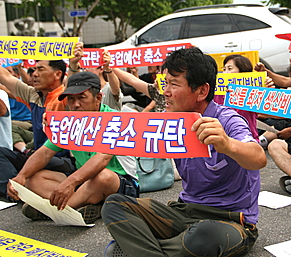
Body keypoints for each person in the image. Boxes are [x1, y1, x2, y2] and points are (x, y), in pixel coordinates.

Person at [102, 47, 266, 257]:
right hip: (183, 212)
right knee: (114, 205)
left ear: (202, 91)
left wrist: (227, 144)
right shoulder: (170, 118)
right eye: (165, 83)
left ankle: (140, 249)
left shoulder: (226, 120)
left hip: (229, 221)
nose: (166, 92)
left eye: (174, 84)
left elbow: (258, 157)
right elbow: (123, 130)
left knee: (203, 236)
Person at [7, 72, 139, 224]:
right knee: (33, 179)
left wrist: (70, 183)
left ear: (98, 98)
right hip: (83, 181)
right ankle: (84, 206)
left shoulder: (116, 119)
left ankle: (53, 211)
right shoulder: (69, 120)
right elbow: (44, 153)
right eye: (71, 99)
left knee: (103, 177)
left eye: (82, 98)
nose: (75, 104)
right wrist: (20, 177)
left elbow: (103, 158)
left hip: (121, 184)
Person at [214, 54, 259, 139]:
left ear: (242, 73)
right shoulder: (217, 93)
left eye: (230, 69)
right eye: (224, 69)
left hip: (247, 141)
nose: (225, 72)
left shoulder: (252, 91)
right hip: (221, 141)